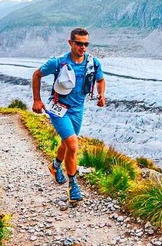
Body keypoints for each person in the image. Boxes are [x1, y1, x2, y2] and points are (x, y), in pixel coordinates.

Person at [31, 27, 106, 203]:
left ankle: (55, 166)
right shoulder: (57, 63)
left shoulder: (93, 63)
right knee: (72, 145)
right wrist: (37, 100)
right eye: (79, 43)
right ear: (70, 42)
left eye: (86, 44)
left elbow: (100, 80)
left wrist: (102, 95)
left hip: (78, 109)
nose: (83, 47)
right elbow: (36, 75)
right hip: (58, 108)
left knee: (67, 143)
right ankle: (73, 186)